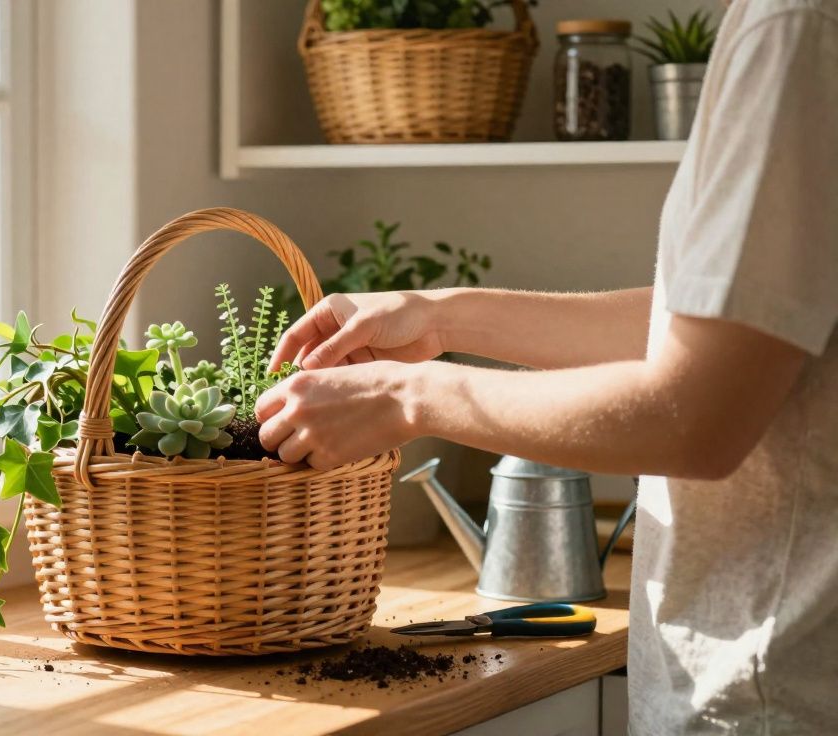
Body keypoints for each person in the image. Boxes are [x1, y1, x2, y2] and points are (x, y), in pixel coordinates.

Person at [256, 1, 838, 732]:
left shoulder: (794, 28)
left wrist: (412, 395)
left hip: (773, 688)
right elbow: (728, 323)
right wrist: (439, 317)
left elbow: (696, 417)